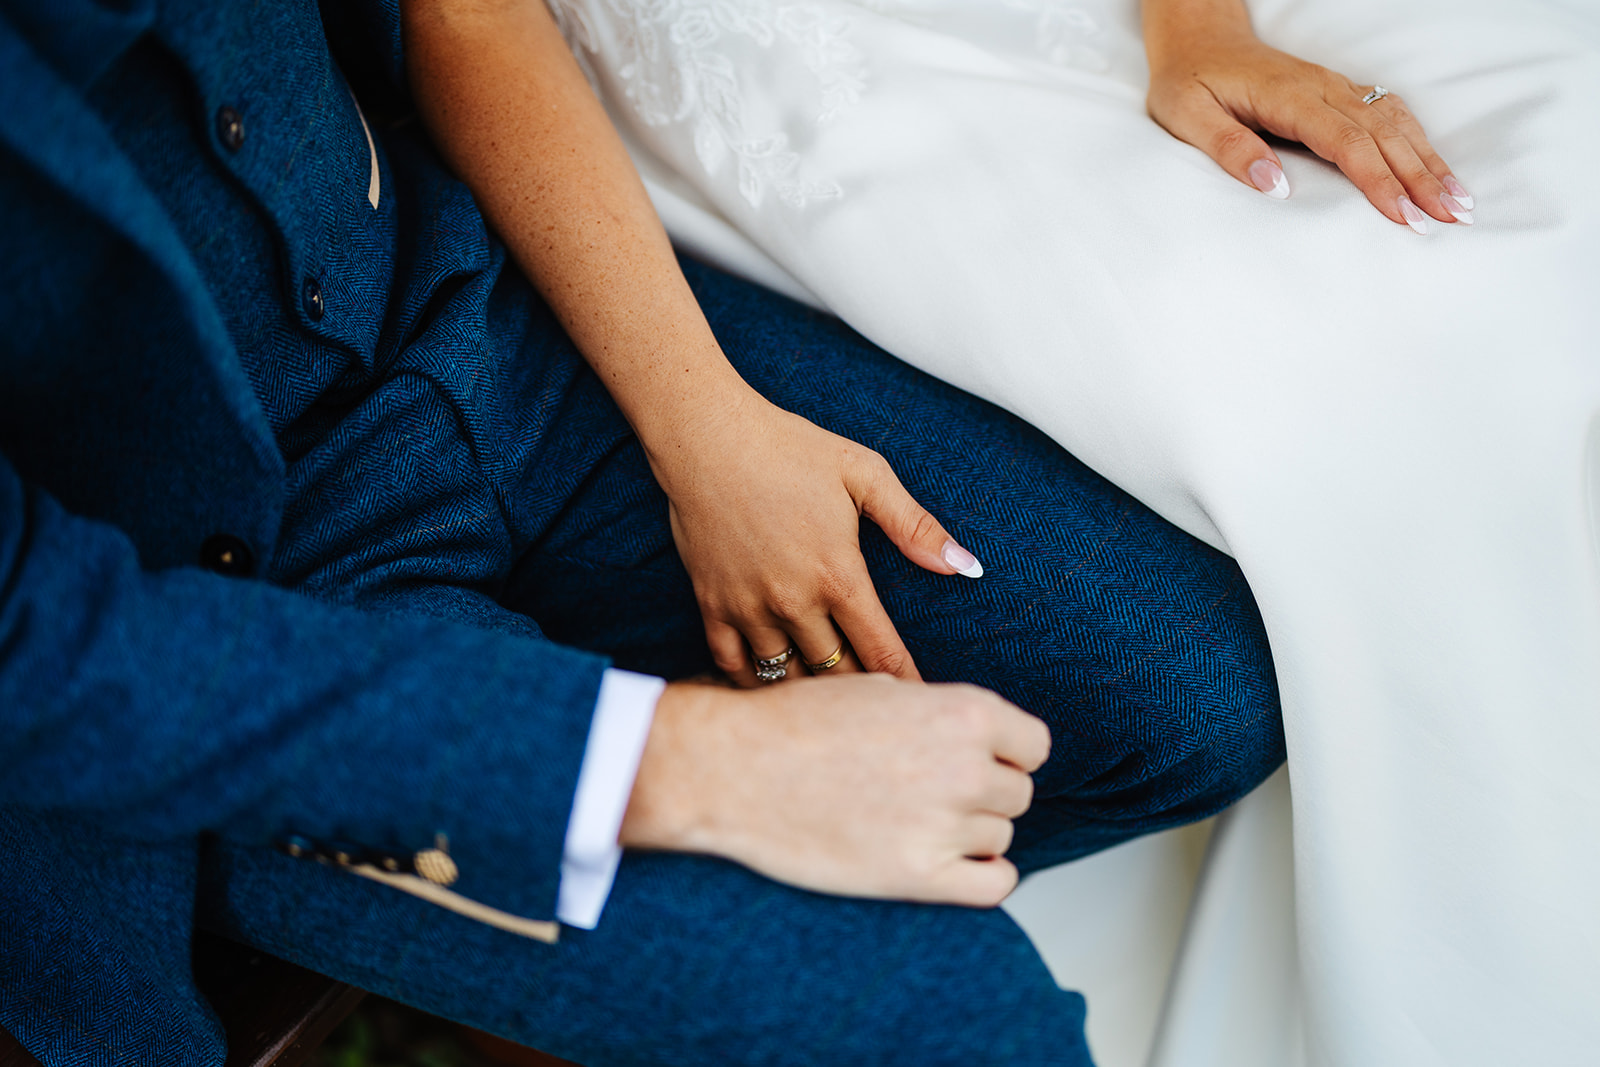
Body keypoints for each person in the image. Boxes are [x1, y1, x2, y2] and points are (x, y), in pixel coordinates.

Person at [0, 1, 1285, 1065]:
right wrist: (689, 765)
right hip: (217, 624)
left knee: (1188, 690)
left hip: (472, 301)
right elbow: (38, 653)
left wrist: (701, 420)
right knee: (956, 1024)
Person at [541, 0, 1600, 1062]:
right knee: (1347, 397)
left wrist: (1198, 28)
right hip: (802, 89)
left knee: (1562, 190)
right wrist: (701, 432)